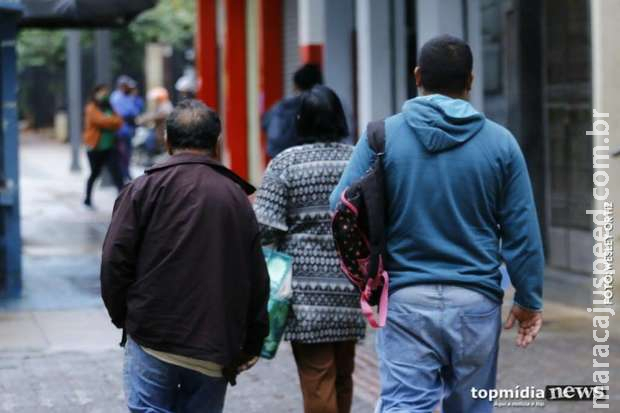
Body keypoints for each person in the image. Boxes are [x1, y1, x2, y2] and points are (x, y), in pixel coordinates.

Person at [330, 35, 544, 413]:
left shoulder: (382, 137)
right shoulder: (501, 144)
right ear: (471, 80)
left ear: (417, 76)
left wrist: (370, 265)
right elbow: (521, 232)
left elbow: (340, 204)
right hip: (475, 301)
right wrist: (528, 300)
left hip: (406, 299)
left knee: (405, 405)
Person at [101, 99, 270, 413]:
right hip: (213, 343)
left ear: (166, 141)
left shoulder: (142, 190)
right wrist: (252, 340)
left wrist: (127, 318)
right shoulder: (235, 197)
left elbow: (114, 262)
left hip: (152, 335)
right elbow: (256, 277)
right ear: (217, 144)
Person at [254, 85, 366, 413]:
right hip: (350, 287)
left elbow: (264, 230)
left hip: (305, 293)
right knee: (344, 375)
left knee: (318, 377)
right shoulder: (357, 160)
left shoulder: (286, 163)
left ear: (300, 121)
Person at [261, 63, 323, 158]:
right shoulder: (326, 105)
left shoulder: (282, 105)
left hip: (281, 157)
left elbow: (264, 123)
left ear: (295, 85)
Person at [82, 84, 124, 207]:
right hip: (95, 147)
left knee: (117, 173)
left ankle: (123, 199)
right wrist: (111, 121)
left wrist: (109, 121)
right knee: (95, 173)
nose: (104, 95)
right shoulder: (91, 108)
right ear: (95, 93)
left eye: (106, 92)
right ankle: (88, 198)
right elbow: (100, 121)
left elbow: (119, 121)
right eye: (101, 92)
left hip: (110, 146)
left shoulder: (110, 107)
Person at [110, 75, 143, 181]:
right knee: (122, 155)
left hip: (127, 131)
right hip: (120, 131)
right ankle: (123, 175)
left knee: (127, 155)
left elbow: (137, 109)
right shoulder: (116, 97)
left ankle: (125, 173)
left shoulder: (129, 97)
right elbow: (128, 112)